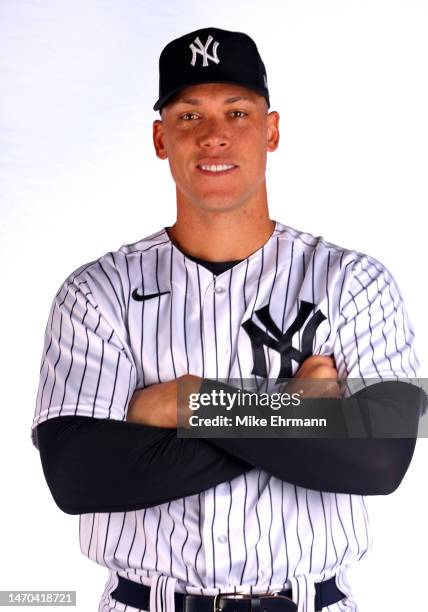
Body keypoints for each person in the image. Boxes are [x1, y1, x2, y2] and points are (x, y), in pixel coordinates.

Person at [31, 27, 424, 612]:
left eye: (236, 111)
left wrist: (189, 403)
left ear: (271, 130)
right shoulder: (97, 292)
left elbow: (379, 461)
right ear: (161, 139)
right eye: (189, 116)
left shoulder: (354, 281)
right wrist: (294, 410)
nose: (214, 135)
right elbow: (79, 477)